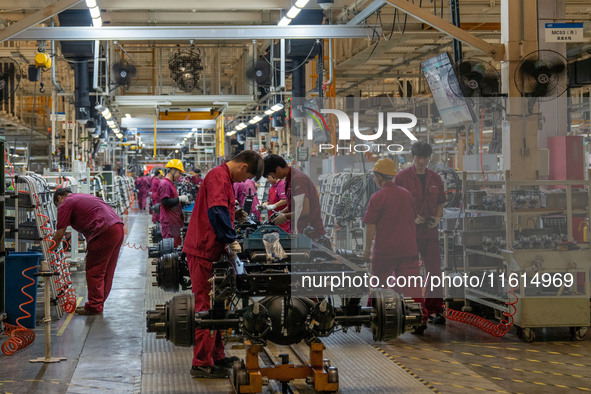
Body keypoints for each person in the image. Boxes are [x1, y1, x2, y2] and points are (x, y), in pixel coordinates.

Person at [182, 150, 264, 378]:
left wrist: (234, 214)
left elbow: (222, 210)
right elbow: (216, 211)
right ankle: (201, 363)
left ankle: (216, 356)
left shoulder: (224, 178)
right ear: (243, 166)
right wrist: (231, 239)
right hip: (203, 250)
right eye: (243, 178)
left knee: (218, 305)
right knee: (206, 307)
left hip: (212, 250)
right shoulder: (219, 176)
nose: (241, 182)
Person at [362, 158, 428, 333]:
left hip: (385, 250)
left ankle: (371, 316)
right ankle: (420, 319)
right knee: (412, 287)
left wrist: (366, 250)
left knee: (378, 285)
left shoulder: (377, 197)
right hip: (408, 249)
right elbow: (414, 217)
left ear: (378, 176)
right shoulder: (406, 194)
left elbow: (371, 225)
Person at [394, 141, 447, 325]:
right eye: (419, 158)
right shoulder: (401, 178)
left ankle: (435, 309)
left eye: (425, 158)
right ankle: (414, 309)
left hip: (430, 233)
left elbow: (440, 201)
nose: (422, 162)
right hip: (409, 234)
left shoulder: (435, 179)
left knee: (434, 272)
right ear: (412, 157)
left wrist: (437, 218)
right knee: (410, 274)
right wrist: (410, 218)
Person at [52, 188, 124, 315]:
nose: (59, 208)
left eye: (57, 206)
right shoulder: (82, 196)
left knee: (95, 271)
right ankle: (98, 304)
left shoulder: (65, 203)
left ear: (59, 198)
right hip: (117, 228)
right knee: (107, 270)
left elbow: (59, 234)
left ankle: (94, 306)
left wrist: (48, 251)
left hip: (103, 232)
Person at [263, 154, 325, 240]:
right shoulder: (289, 179)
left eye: (273, 175)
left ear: (278, 169)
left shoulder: (297, 180)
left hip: (311, 235)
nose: (274, 178)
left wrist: (285, 217)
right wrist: (281, 213)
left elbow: (304, 210)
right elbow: (293, 205)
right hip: (300, 231)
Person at [158, 159, 191, 247]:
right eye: (179, 173)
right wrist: (180, 198)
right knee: (169, 248)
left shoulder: (170, 183)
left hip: (174, 220)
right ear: (172, 170)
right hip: (169, 221)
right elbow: (165, 202)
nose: (179, 176)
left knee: (175, 247)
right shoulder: (165, 184)